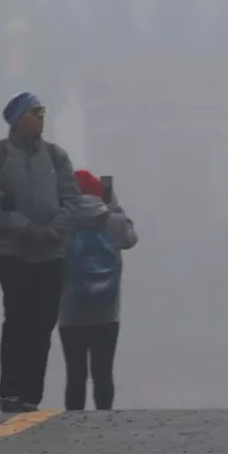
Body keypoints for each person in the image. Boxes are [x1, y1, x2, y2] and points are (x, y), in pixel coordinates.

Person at [0, 91, 79, 413]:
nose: (42, 117)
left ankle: (32, 396)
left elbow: (72, 200)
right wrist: (26, 228)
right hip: (11, 250)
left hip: (52, 250)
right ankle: (10, 392)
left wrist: (54, 231)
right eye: (37, 112)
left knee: (44, 321)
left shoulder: (56, 156)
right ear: (20, 118)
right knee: (19, 316)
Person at [57, 170, 139, 411]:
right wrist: (115, 206)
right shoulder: (111, 220)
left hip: (71, 312)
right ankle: (104, 421)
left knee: (75, 374)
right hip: (107, 310)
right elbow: (130, 239)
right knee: (103, 372)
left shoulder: (64, 222)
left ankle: (74, 423)